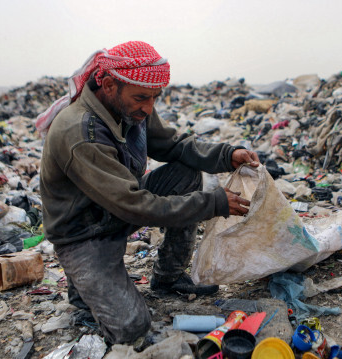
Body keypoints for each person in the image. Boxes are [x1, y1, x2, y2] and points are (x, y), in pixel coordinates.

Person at [38, 41, 259, 345]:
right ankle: (83, 286)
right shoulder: (80, 132)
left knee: (185, 172)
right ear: (109, 84)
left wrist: (226, 154)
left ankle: (168, 276)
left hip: (118, 205)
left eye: (155, 98)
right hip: (84, 232)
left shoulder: (132, 106)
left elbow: (174, 145)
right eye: (142, 98)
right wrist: (214, 203)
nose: (149, 107)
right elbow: (135, 207)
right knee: (131, 327)